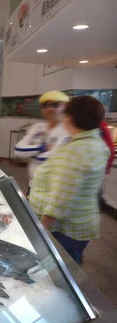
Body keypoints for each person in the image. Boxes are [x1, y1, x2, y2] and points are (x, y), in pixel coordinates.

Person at [29, 96, 109, 263]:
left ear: (70, 117)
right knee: (69, 265)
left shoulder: (78, 150)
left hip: (64, 230)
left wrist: (39, 230)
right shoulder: (93, 142)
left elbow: (61, 200)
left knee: (60, 272)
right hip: (77, 223)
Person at [14, 90, 71, 189]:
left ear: (65, 107)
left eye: (55, 105)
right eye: (45, 105)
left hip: (54, 190)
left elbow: (50, 158)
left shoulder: (68, 131)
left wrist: (31, 152)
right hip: (33, 186)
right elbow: (18, 150)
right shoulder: (37, 127)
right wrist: (43, 147)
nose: (49, 109)